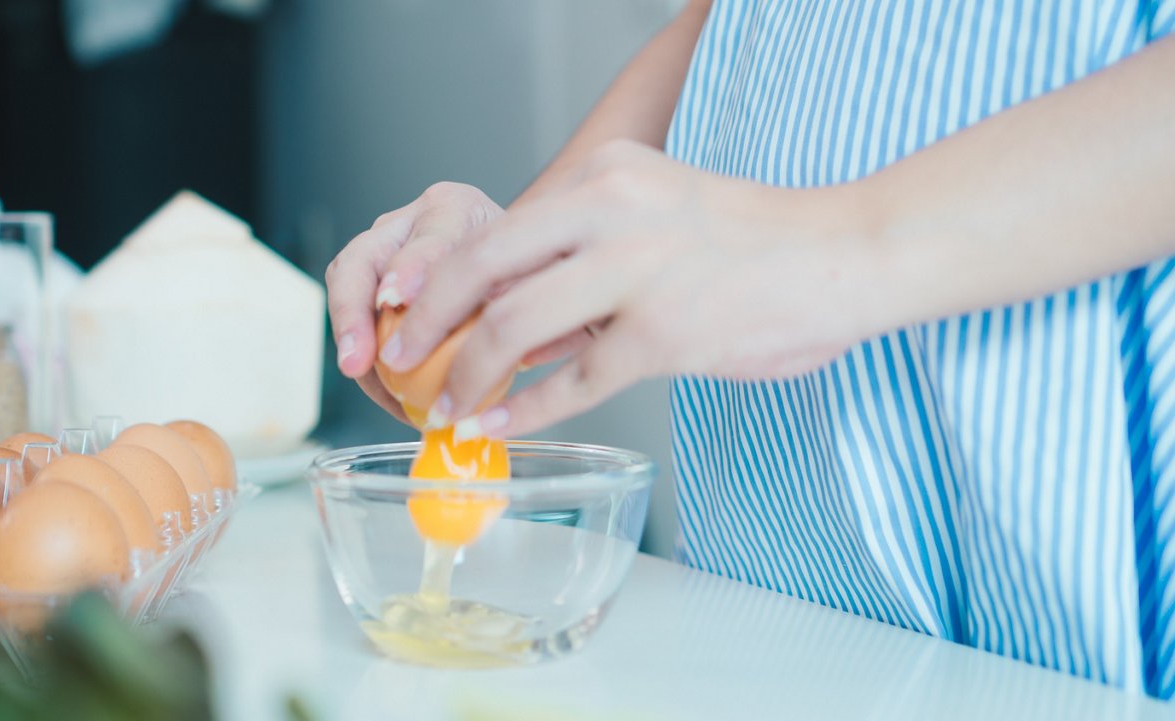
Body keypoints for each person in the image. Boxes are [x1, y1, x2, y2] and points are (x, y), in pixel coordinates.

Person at [325, 0, 1175, 698]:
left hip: (1064, 490)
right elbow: (728, 19)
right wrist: (514, 262)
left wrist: (837, 244)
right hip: (776, 536)